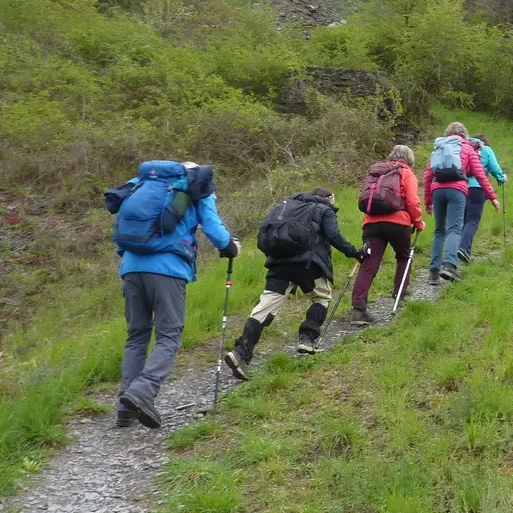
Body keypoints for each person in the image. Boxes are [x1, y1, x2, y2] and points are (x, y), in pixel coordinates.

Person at [104, 161, 238, 429]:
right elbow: (213, 228)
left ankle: (125, 407)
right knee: (169, 335)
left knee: (137, 335)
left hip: (131, 266)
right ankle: (143, 391)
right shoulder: (194, 187)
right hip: (167, 269)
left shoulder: (143, 183)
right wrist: (231, 247)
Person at [224, 187, 367, 381]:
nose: (333, 203)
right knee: (322, 297)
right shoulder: (323, 210)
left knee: (265, 307)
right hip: (308, 265)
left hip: (278, 265)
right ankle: (307, 338)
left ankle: (240, 352)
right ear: (327, 198)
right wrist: (355, 253)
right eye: (332, 199)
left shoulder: (284, 207)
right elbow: (334, 237)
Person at [347, 145, 426, 325]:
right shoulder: (406, 173)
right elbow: (412, 201)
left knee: (369, 263)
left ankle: (358, 309)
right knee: (404, 257)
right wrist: (418, 222)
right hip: (398, 223)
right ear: (410, 159)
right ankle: (400, 296)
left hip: (372, 223)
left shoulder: (375, 172)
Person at [425, 122, 499, 284]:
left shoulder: (439, 148)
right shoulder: (467, 148)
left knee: (439, 231)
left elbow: (428, 175)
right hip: (457, 190)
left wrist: (428, 201)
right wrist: (492, 197)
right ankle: (449, 266)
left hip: (437, 190)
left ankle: (434, 272)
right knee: (454, 229)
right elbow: (480, 174)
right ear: (464, 135)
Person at [459, 134, 506, 263]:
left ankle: (464, 254)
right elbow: (495, 168)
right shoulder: (485, 150)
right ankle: (462, 248)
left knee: (463, 221)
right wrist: (502, 178)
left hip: (460, 187)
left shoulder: (462, 147)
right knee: (472, 221)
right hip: (477, 188)